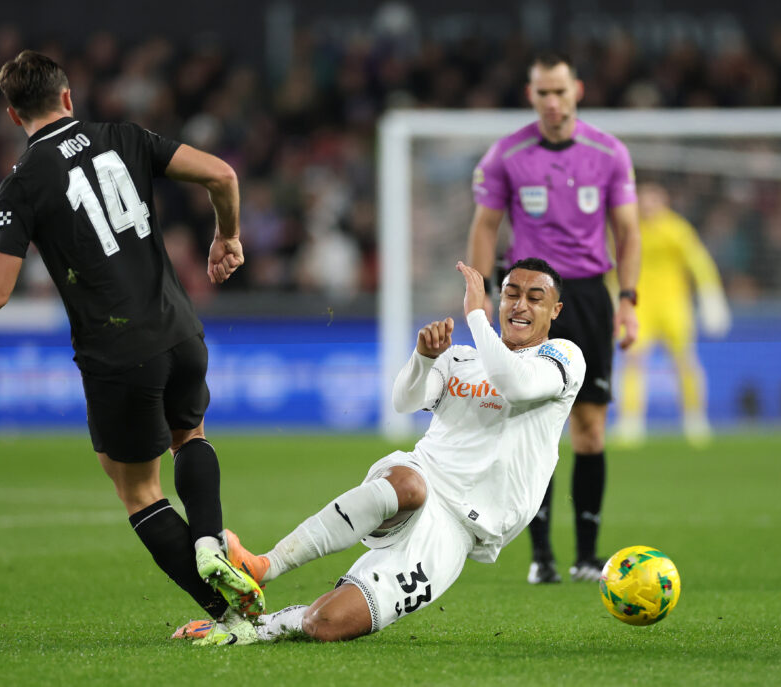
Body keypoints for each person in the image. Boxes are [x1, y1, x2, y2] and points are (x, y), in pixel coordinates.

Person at [0, 50, 263, 632]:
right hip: (181, 328)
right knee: (187, 437)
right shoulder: (124, 135)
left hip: (119, 352)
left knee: (137, 490)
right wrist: (227, 237)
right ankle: (212, 540)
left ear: (14, 117)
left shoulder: (22, 184)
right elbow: (223, 174)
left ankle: (229, 615)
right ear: (67, 97)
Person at [175, 258, 585, 645]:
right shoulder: (461, 357)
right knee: (409, 484)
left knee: (326, 625)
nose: (519, 304)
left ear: (555, 310)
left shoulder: (562, 357)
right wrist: (424, 359)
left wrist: (475, 315)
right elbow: (405, 402)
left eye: (534, 298)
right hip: (421, 478)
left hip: (457, 532)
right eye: (511, 293)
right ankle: (265, 565)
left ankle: (258, 626)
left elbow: (516, 385)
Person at [466, 52, 641, 584]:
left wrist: (629, 299)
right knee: (526, 425)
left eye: (560, 91)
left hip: (588, 296)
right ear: (531, 95)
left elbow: (629, 232)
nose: (552, 101)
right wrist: (480, 296)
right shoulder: (506, 155)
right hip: (530, 295)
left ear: (577, 91)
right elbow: (484, 227)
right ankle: (540, 556)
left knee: (590, 428)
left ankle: (587, 556)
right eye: (543, 92)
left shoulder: (609, 153)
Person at [612, 182, 730, 447]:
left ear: (664, 203)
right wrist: (612, 296)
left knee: (685, 359)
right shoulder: (629, 230)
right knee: (632, 360)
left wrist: (711, 296)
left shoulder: (677, 230)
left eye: (654, 201)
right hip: (640, 304)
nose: (648, 207)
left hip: (674, 304)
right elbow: (614, 266)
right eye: (644, 201)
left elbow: (699, 262)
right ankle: (630, 421)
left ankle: (694, 418)